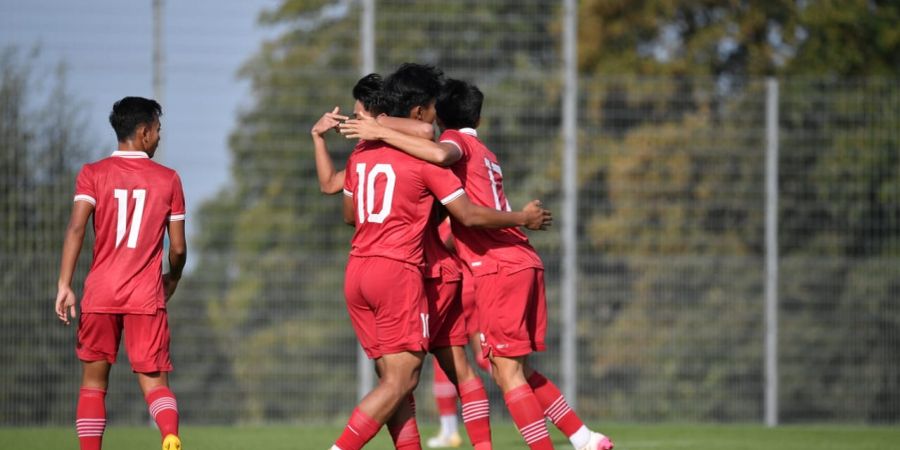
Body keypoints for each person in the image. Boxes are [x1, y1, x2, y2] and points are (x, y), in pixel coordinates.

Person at [339, 79, 614, 450]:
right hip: (511, 262)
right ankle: (584, 438)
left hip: (492, 267)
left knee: (500, 372)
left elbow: (442, 165)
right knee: (508, 370)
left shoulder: (454, 146)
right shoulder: (483, 149)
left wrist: (376, 128)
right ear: (479, 117)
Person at [312, 71, 497, 450]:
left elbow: (349, 212)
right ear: (417, 111)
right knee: (408, 380)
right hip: (406, 272)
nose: (436, 119)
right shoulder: (426, 159)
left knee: (395, 384)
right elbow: (467, 213)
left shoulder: (362, 153)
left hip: (359, 271)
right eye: (431, 110)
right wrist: (518, 219)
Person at [54, 96, 186, 450]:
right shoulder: (169, 179)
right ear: (143, 132)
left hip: (100, 294)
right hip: (145, 296)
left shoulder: (92, 174)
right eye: (158, 130)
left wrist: (65, 284)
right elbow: (177, 248)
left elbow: (76, 229)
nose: (159, 137)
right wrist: (173, 276)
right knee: (156, 383)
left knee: (94, 385)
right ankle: (170, 436)